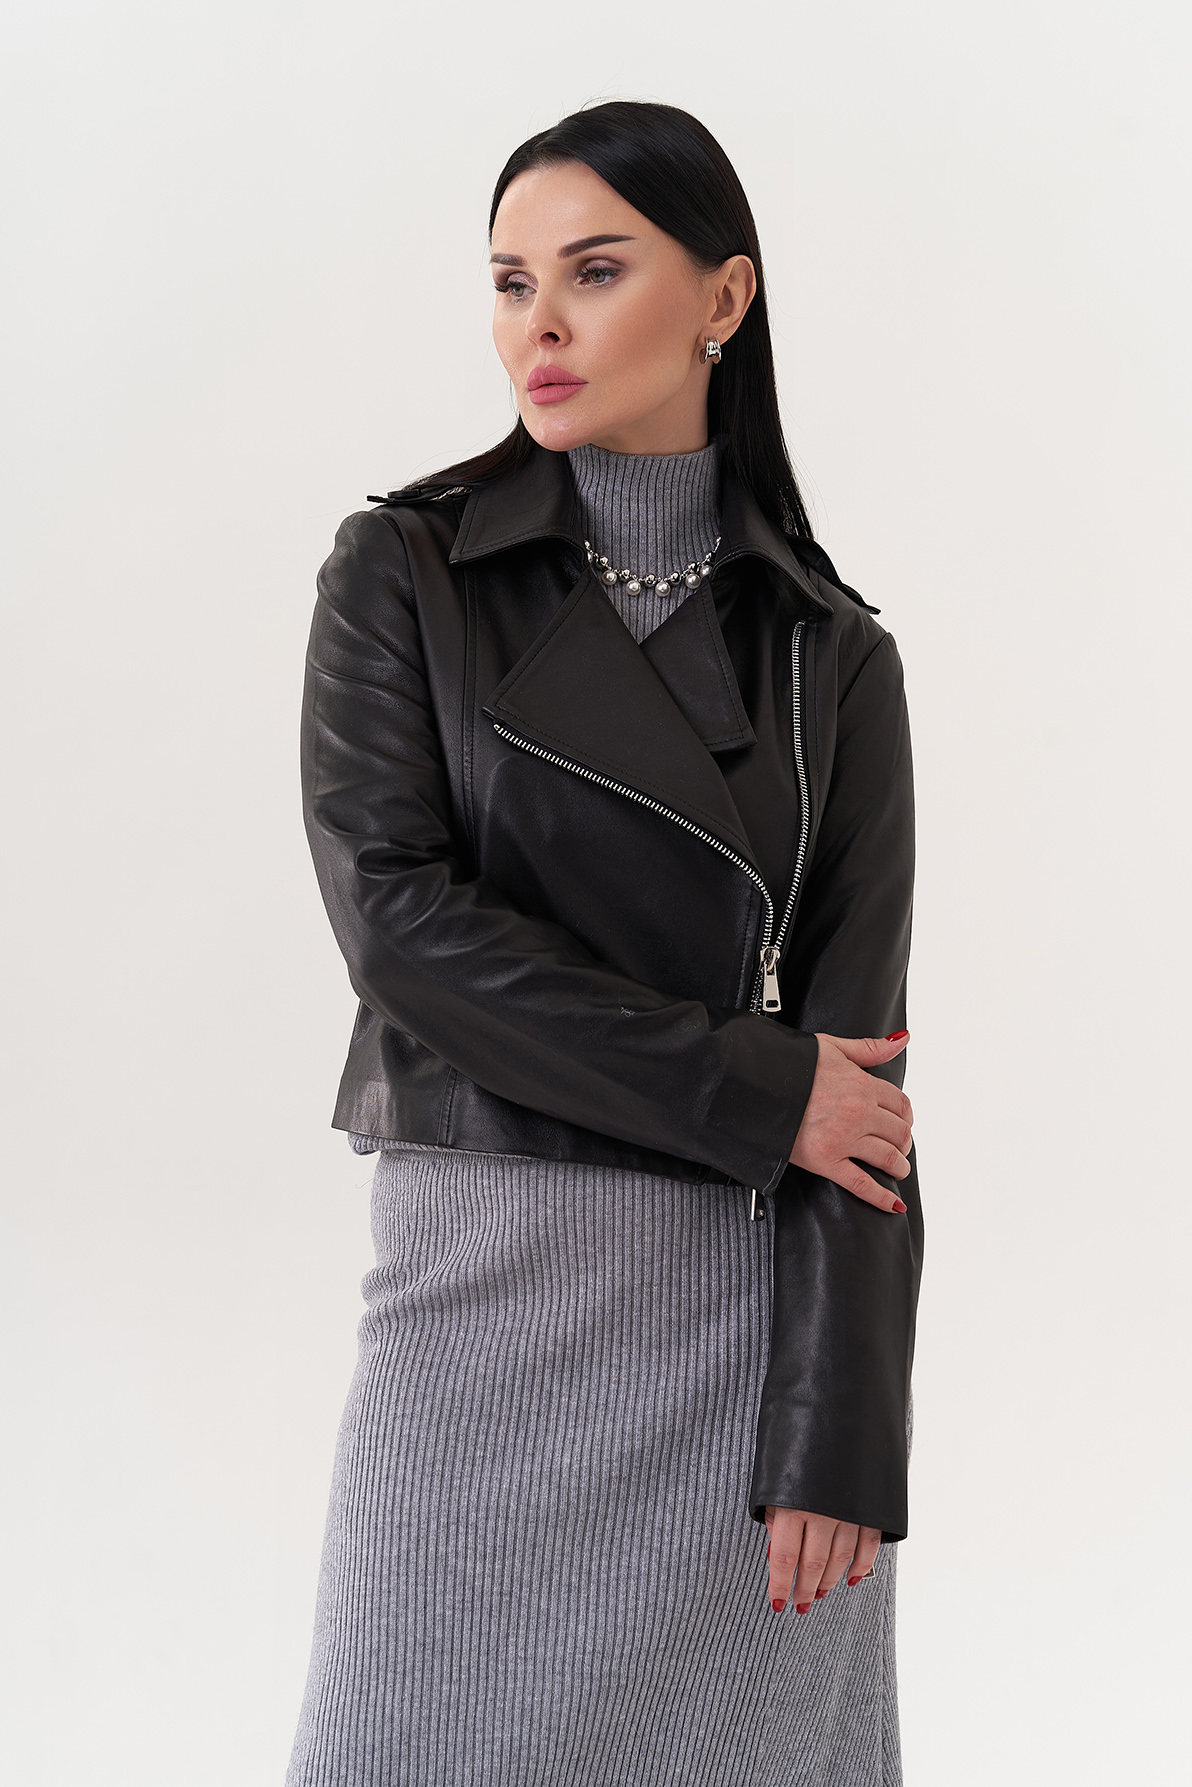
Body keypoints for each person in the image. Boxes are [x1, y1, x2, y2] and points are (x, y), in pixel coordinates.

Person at [287, 99, 924, 1787]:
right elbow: (399, 930)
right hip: (476, 1289)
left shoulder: (834, 656)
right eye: (510, 283)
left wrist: (844, 1428)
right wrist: (752, 1088)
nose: (539, 326)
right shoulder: (406, 573)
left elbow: (865, 1086)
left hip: (736, 1333)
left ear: (725, 298)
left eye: (592, 271)